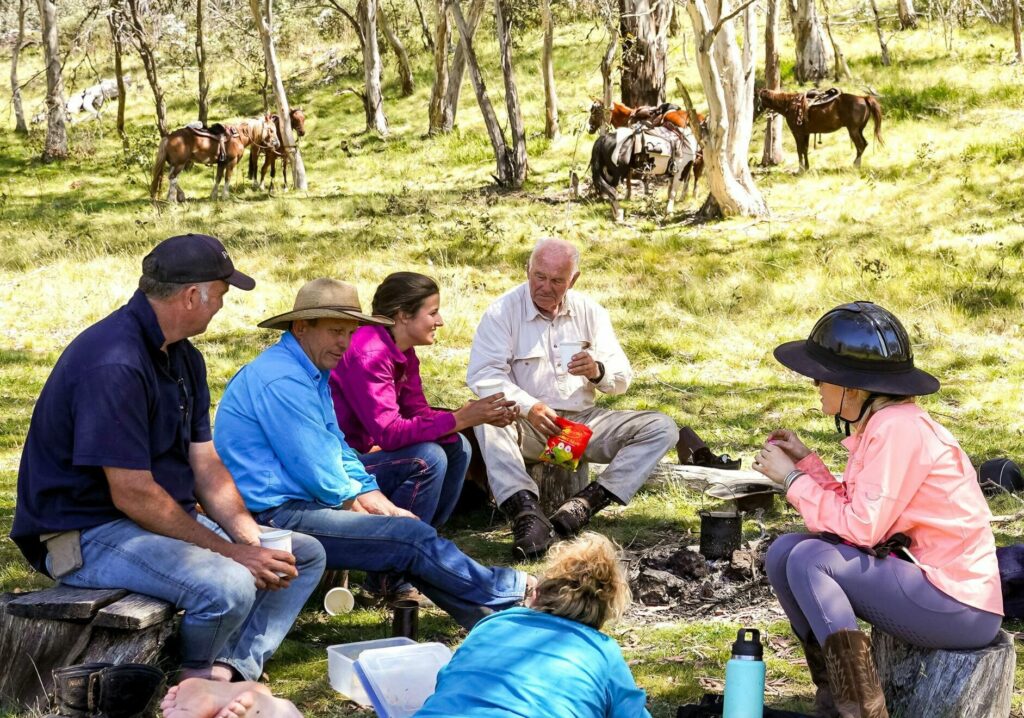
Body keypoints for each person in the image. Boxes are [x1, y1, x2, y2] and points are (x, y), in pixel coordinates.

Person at [10, 234, 327, 682]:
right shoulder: (114, 361)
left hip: (149, 519)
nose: (222, 305)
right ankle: (189, 680)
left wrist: (247, 535)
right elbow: (133, 494)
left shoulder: (184, 358)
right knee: (229, 586)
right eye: (220, 293)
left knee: (303, 554)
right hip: (83, 532)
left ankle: (230, 671)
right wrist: (231, 553)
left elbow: (206, 464)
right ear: (192, 295)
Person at [214, 278, 530, 629]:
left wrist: (384, 504)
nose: (344, 343)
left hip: (298, 501)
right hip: (273, 518)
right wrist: (375, 513)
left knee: (410, 535)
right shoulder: (283, 380)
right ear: (301, 327)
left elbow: (338, 449)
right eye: (336, 331)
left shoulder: (307, 370)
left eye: (349, 333)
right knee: (410, 538)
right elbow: (318, 472)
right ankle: (510, 589)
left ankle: (493, 620)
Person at [753, 301, 1003, 718]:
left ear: (851, 387)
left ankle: (862, 712)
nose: (816, 384)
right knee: (783, 553)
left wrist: (792, 481)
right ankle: (835, 699)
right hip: (927, 585)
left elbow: (861, 529)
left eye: (822, 377)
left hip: (961, 605)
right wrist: (807, 463)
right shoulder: (884, 424)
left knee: (812, 560)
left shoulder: (897, 429)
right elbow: (858, 506)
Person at [467, 238, 677, 558]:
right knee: (486, 415)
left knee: (662, 427)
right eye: (539, 277)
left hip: (576, 430)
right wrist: (528, 406)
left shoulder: (590, 312)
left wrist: (597, 370)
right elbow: (484, 375)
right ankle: (525, 514)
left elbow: (622, 379)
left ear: (573, 280)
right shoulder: (502, 312)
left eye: (556, 281)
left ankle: (584, 504)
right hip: (528, 426)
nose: (545, 287)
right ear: (527, 270)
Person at [330, 271, 517, 602]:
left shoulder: (402, 351)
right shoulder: (370, 353)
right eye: (432, 312)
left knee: (457, 446)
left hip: (360, 457)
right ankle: (391, 575)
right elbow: (388, 433)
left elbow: (417, 413)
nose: (440, 321)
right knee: (427, 457)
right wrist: (460, 417)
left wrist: (473, 419)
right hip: (338, 467)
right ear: (403, 315)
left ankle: (421, 548)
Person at [415, 532, 651, 718]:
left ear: (536, 593)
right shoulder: (603, 652)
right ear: (601, 617)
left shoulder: (490, 625)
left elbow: (447, 682)